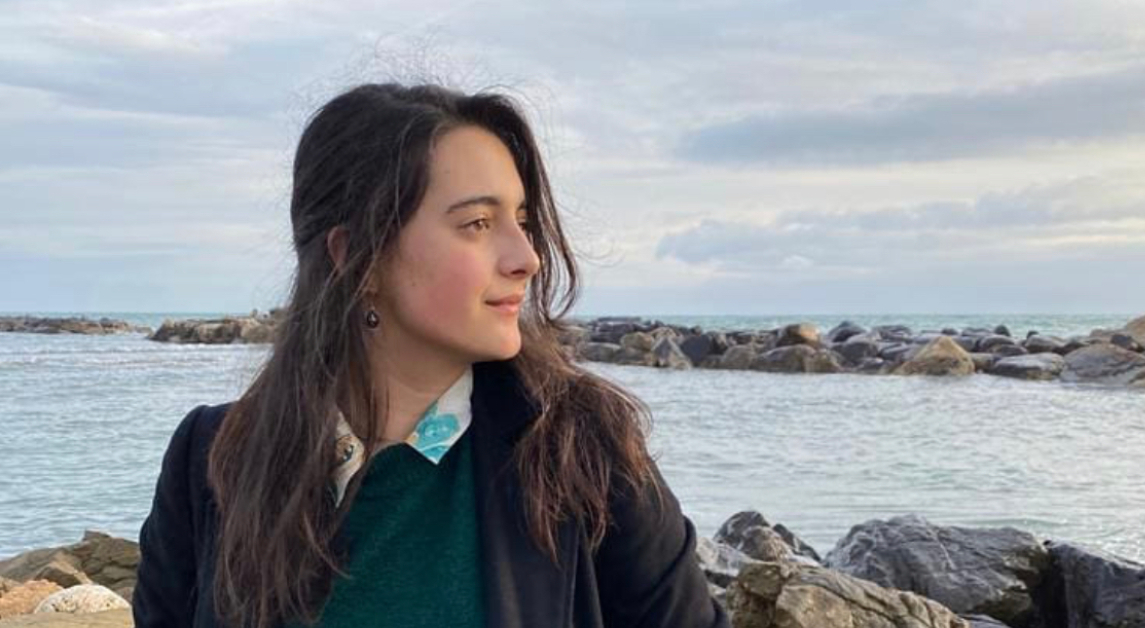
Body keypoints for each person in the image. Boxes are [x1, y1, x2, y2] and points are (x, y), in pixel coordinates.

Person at [131, 83, 730, 628]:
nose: (526, 257)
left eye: (521, 221)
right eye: (476, 223)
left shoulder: (582, 453)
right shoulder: (214, 460)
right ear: (356, 256)